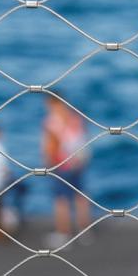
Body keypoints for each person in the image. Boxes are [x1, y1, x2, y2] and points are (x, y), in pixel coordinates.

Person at [43, 93, 90, 247]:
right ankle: (84, 232)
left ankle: (64, 234)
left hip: (61, 165)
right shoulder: (75, 118)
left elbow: (50, 147)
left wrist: (48, 165)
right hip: (78, 163)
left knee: (61, 200)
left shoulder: (52, 122)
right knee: (79, 196)